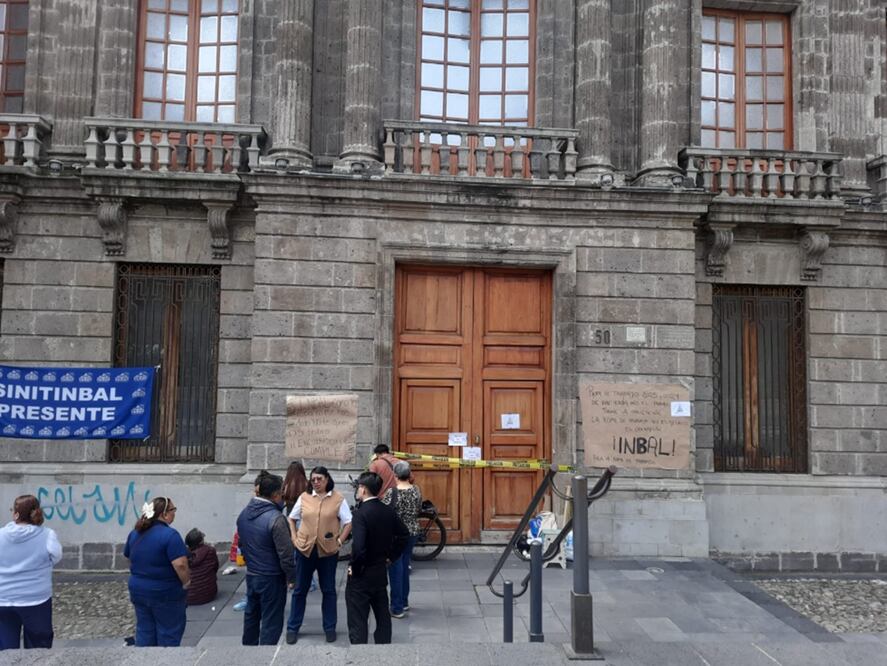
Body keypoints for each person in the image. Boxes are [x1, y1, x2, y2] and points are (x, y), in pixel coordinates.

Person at [286, 466, 352, 644]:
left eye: (319, 479)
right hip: (305, 550)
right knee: (299, 590)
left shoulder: (338, 498)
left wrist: (340, 541)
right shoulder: (304, 497)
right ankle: (293, 627)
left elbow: (348, 522)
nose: (316, 482)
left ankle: (329, 627)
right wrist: (294, 538)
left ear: (327, 479)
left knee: (328, 590)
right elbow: (291, 518)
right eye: (313, 479)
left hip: (328, 551)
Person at [345, 471, 409, 645]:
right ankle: (383, 647)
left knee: (358, 619)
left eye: (359, 487)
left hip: (361, 575)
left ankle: (360, 652)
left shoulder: (360, 514)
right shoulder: (387, 511)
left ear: (364, 489)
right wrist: (391, 556)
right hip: (379, 571)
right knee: (382, 616)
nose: (357, 490)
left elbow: (359, 548)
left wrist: (354, 569)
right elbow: (404, 534)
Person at [236, 473, 295, 646]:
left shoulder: (244, 514)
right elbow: (286, 554)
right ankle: (266, 655)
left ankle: (248, 651)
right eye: (282, 491)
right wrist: (291, 577)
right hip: (272, 578)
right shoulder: (276, 519)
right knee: (271, 622)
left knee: (251, 616)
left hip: (252, 574)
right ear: (276, 495)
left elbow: (242, 544)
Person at [124, 496, 190, 647]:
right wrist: (187, 582)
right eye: (173, 510)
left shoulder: (135, 533)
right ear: (164, 514)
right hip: (165, 592)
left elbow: (129, 557)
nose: (174, 513)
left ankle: (145, 657)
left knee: (144, 630)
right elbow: (180, 564)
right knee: (168, 633)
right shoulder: (170, 535)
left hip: (138, 589)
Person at [0, 495, 62, 651]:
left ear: (16, 514)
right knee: (38, 649)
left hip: (3, 598)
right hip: (36, 599)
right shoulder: (47, 535)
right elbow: (56, 556)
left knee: (5, 650)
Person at [381, 461, 422, 618]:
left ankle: (397, 607)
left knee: (395, 569)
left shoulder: (392, 492)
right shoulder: (416, 490)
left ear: (395, 475)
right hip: (412, 531)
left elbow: (384, 512)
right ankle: (404, 602)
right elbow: (418, 508)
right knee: (404, 565)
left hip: (396, 535)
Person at [185, 528, 219, 606]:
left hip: (189, 598)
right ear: (201, 541)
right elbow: (215, 567)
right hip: (209, 594)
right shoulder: (210, 550)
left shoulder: (184, 555)